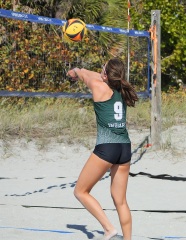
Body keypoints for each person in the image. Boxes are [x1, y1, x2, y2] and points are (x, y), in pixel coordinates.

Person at [67, 58, 138, 240]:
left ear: (106, 74)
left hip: (107, 147)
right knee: (121, 201)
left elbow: (84, 76)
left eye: (103, 67)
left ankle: (109, 229)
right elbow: (89, 75)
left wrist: (76, 71)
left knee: (80, 191)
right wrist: (81, 70)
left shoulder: (99, 86)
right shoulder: (121, 90)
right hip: (125, 147)